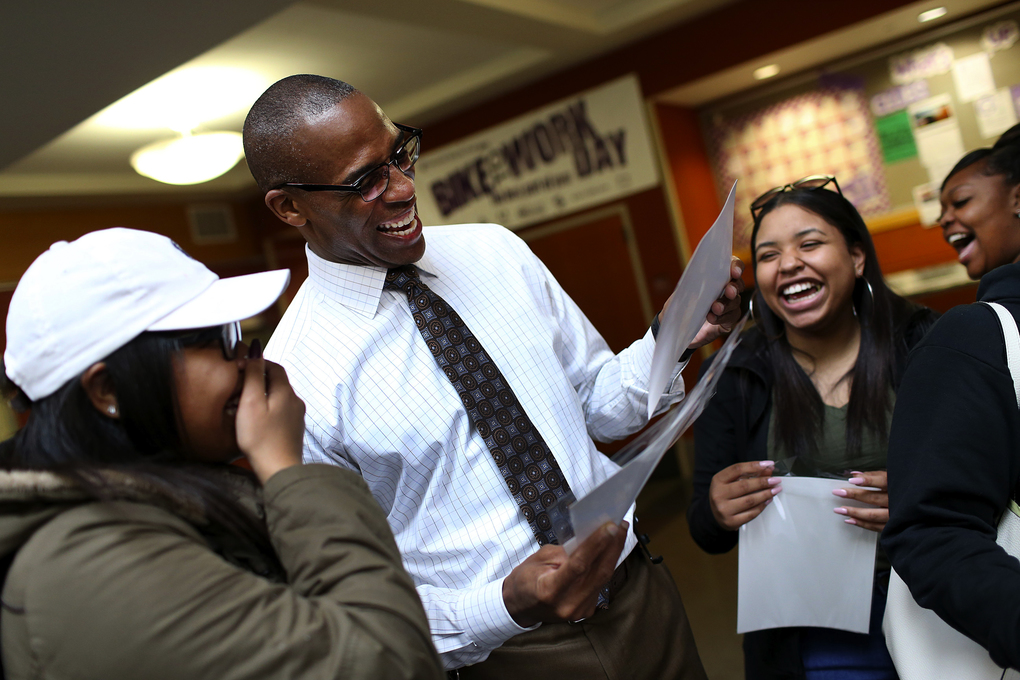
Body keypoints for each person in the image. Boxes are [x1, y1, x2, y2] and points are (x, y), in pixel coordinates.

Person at [243, 74, 744, 678]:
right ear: (290, 207)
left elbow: (598, 403)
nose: (403, 188)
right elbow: (358, 606)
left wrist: (673, 337)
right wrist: (504, 604)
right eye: (365, 180)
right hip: (509, 657)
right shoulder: (293, 382)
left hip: (644, 599)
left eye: (400, 154)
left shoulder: (496, 252)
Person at [0, 228, 444, 679]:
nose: (249, 363)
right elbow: (392, 661)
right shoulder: (90, 566)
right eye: (214, 343)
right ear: (109, 389)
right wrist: (286, 470)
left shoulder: (167, 502)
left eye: (236, 337)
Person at [689, 176, 936, 679]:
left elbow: (993, 478)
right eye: (768, 255)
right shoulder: (734, 374)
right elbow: (704, 530)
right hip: (815, 631)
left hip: (936, 603)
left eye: (809, 243)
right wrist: (718, 508)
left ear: (857, 257)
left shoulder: (928, 344)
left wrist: (922, 501)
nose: (788, 264)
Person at [883, 124, 1020, 669]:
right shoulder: (973, 338)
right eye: (944, 206)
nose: (944, 220)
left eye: (959, 202)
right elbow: (932, 530)